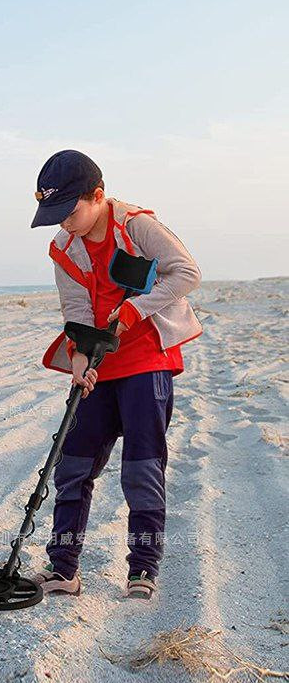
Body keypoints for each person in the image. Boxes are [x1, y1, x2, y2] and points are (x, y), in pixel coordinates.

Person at [29, 150, 201, 600]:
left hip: (147, 361)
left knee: (142, 468)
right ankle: (63, 568)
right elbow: (76, 311)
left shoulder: (136, 226)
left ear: (98, 196)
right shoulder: (63, 248)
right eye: (55, 214)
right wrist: (79, 362)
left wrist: (134, 310)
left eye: (69, 211)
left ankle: (142, 569)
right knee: (72, 467)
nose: (63, 222)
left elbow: (187, 272)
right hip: (100, 366)